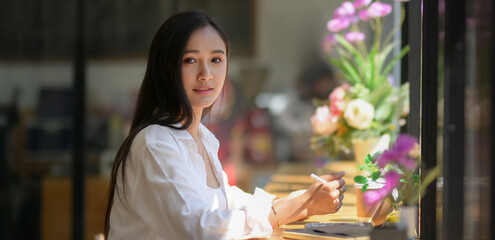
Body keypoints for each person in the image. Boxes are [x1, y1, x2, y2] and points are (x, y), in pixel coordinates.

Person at [104, 11, 346, 239]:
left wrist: (301, 201)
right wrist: (294, 208)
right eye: (190, 60)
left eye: (216, 59)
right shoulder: (155, 143)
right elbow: (199, 230)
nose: (206, 73)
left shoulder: (201, 137)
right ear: (167, 68)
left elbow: (228, 200)